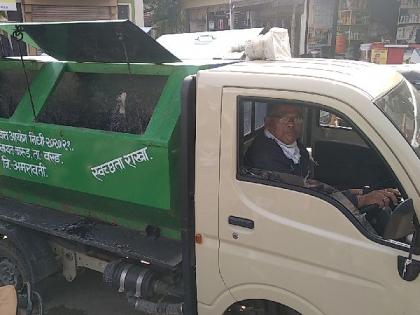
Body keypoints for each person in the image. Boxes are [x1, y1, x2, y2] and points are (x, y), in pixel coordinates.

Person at [244, 103, 400, 210]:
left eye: (297, 118)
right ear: (267, 122)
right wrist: (360, 200)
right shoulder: (265, 156)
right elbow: (305, 195)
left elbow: (310, 183)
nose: (292, 124)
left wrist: (356, 192)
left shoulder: (292, 144)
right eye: (284, 118)